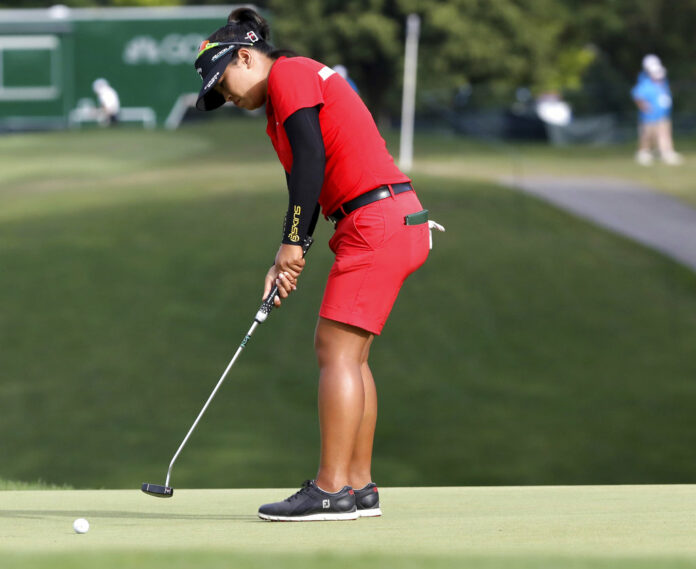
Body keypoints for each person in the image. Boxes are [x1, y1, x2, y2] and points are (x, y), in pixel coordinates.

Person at [194, 8, 431, 521]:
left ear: (247, 55)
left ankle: (329, 491)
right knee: (352, 354)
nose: (227, 97)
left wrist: (293, 244)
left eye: (225, 82)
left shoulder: (291, 74)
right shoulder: (281, 102)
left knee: (334, 350)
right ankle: (358, 486)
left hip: (377, 220)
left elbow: (310, 160)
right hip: (383, 218)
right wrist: (288, 252)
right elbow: (306, 178)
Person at [631, 55, 683, 166]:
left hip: (663, 115)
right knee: (647, 136)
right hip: (649, 117)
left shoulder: (663, 83)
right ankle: (644, 153)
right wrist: (645, 108)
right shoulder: (644, 83)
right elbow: (638, 97)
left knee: (665, 133)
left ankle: (666, 152)